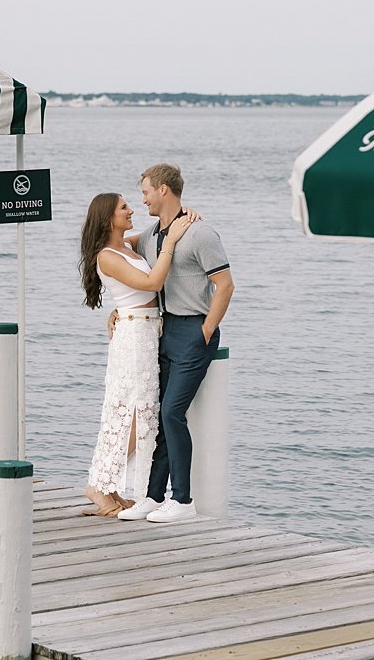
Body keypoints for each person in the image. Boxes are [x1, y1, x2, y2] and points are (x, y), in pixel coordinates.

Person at [116, 162, 235, 524]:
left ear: (164, 190)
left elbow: (225, 285)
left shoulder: (201, 234)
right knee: (158, 415)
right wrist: (118, 306)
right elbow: (112, 243)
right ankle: (152, 496)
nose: (144, 199)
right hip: (163, 333)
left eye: (146, 192)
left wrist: (206, 330)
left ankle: (182, 500)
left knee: (171, 412)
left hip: (193, 333)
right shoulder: (153, 235)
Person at [78, 192, 194, 517]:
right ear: (107, 218)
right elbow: (153, 282)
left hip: (144, 332)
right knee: (131, 414)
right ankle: (98, 487)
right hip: (133, 338)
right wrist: (170, 245)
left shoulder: (124, 246)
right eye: (123, 208)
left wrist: (185, 216)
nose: (131, 211)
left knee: (134, 413)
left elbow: (162, 227)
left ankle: (107, 485)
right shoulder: (106, 257)